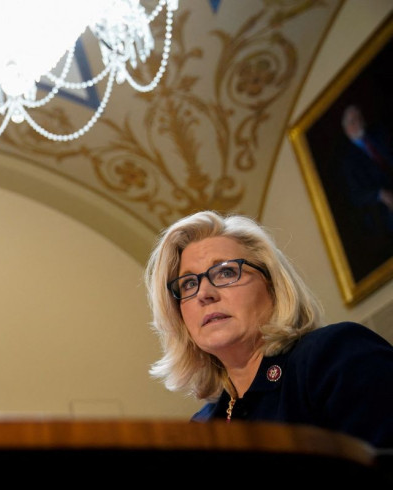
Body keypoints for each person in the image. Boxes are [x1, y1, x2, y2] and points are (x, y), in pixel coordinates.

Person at [143, 210, 393, 449]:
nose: (205, 294)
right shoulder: (201, 427)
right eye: (188, 284)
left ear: (273, 286)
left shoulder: (334, 354)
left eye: (226, 272)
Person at [338, 104, 393, 235]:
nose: (359, 122)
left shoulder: (379, 134)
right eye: (353, 121)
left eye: (359, 117)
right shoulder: (348, 161)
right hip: (381, 207)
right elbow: (356, 195)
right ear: (347, 129)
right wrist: (380, 194)